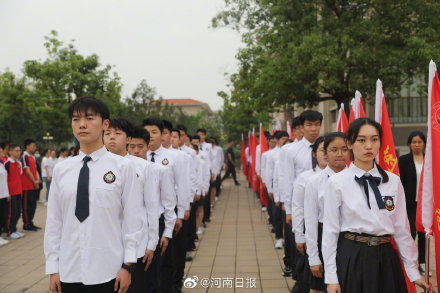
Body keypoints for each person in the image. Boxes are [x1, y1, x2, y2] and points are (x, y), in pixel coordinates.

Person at [44, 97, 144, 293]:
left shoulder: (123, 167)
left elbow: (133, 220)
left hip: (109, 269)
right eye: (76, 119)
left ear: (105, 124)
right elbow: (54, 221)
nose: (82, 124)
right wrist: (53, 268)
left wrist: (128, 266)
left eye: (89, 118)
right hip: (69, 268)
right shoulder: (61, 169)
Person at [322, 117, 432, 293]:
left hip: (385, 256)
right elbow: (330, 232)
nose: (368, 146)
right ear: (350, 143)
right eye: (361, 140)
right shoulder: (337, 182)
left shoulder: (393, 181)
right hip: (353, 256)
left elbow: (402, 229)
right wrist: (331, 278)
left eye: (374, 139)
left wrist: (413, 271)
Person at [103, 118, 165, 293]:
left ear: (128, 138)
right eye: (107, 133)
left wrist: (151, 244)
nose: (112, 138)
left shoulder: (144, 167)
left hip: (138, 242)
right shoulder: (98, 166)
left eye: (117, 133)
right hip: (108, 243)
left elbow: (152, 207)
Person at [303, 133, 350, 293]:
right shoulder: (315, 182)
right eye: (334, 150)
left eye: (344, 149)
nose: (339, 154)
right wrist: (313, 257)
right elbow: (310, 222)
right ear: (325, 154)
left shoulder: (356, 179)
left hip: (349, 239)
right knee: (319, 289)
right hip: (324, 236)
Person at [291, 136, 327, 287]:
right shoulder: (305, 177)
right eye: (322, 150)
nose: (326, 154)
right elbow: (298, 207)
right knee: (314, 281)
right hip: (314, 232)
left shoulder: (344, 177)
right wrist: (299, 235)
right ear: (314, 154)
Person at [398, 131, 427, 274]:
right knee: (410, 232)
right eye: (414, 142)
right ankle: (409, 262)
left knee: (423, 233)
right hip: (408, 203)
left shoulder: (429, 160)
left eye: (419, 142)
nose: (416, 145)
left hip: (424, 203)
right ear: (409, 144)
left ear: (424, 143)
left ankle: (422, 262)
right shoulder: (403, 160)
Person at [20, 139, 41, 231]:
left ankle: (31, 222)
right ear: (27, 146)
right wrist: (34, 181)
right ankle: (26, 224)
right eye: (33, 146)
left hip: (33, 185)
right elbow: (27, 171)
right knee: (26, 206)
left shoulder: (32, 157)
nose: (34, 148)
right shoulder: (24, 156)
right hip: (26, 186)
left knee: (33, 205)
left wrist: (38, 179)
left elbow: (35, 170)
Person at [4, 144, 24, 239]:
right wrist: (7, 193)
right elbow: (5, 180)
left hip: (18, 192)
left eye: (19, 150)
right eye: (16, 150)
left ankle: (14, 229)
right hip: (11, 193)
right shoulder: (7, 164)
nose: (19, 152)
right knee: (11, 212)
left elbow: (19, 178)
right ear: (10, 152)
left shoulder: (19, 163)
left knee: (18, 211)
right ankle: (10, 231)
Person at [0, 146, 10, 246]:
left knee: (2, 215)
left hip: (3, 194)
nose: (2, 153)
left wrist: (7, 193)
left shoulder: (2, 164)